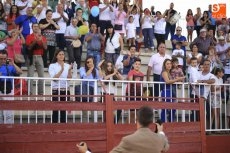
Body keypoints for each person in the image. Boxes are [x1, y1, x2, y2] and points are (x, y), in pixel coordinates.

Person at [48, 49, 72, 123]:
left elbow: (69, 79)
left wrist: (68, 70)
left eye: (63, 54)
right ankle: (54, 129)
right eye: (60, 54)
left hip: (65, 90)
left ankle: (63, 130)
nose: (62, 56)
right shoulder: (52, 65)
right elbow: (54, 79)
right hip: (56, 90)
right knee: (55, 110)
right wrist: (61, 70)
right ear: (56, 56)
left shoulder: (67, 65)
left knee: (63, 111)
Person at [0, 49, 23, 124]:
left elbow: (20, 72)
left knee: (9, 111)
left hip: (9, 90)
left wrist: (13, 63)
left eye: (4, 58)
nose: (3, 60)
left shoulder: (10, 66)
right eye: (1, 59)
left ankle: (9, 129)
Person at [26, 23, 47, 95]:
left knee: (41, 76)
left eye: (37, 27)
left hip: (39, 56)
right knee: (30, 75)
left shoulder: (43, 37)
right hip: (31, 56)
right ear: (32, 28)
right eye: (34, 26)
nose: (36, 28)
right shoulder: (29, 36)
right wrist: (35, 40)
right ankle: (30, 93)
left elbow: (45, 48)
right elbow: (29, 48)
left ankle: (40, 93)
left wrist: (41, 40)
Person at [126, 57, 144, 123]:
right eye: (136, 64)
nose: (137, 65)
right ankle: (126, 126)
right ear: (133, 65)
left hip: (138, 94)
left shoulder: (142, 74)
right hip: (131, 93)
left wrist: (142, 94)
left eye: (139, 64)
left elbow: (141, 85)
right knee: (132, 112)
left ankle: (133, 126)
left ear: (140, 65)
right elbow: (131, 81)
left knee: (137, 112)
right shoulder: (131, 72)